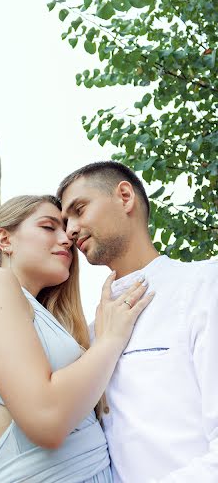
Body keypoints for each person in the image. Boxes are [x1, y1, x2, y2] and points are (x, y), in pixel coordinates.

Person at [0, 195, 154, 482]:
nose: (67, 239)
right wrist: (110, 339)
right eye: (48, 227)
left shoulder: (34, 319)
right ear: (5, 240)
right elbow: (47, 420)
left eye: (66, 231)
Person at [58, 161, 218, 483]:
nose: (70, 230)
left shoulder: (205, 285)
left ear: (125, 196)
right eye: (64, 222)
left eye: (79, 209)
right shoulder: (90, 335)